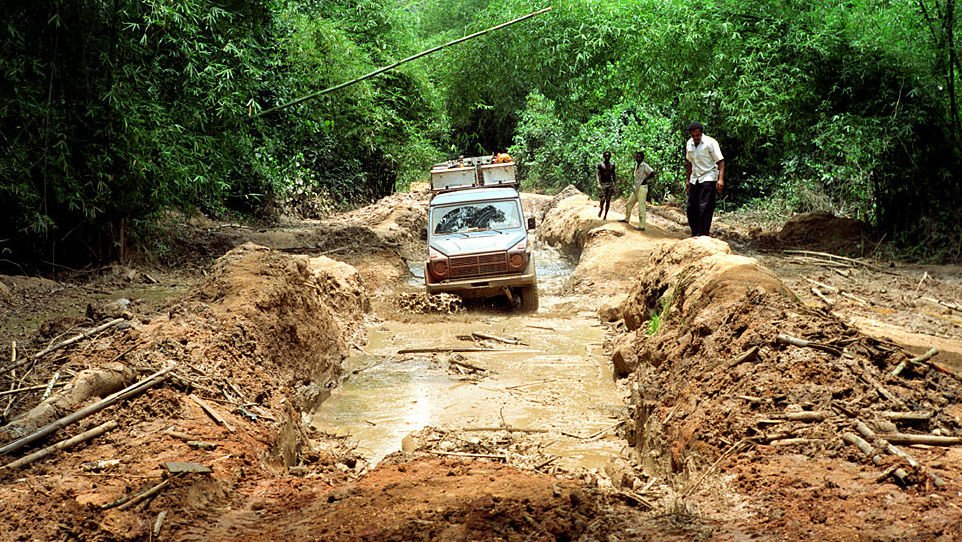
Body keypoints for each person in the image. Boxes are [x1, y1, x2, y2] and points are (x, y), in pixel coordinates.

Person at [684, 122, 725, 236]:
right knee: (692, 207)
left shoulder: (711, 143)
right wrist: (688, 179)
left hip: (708, 176)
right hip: (695, 177)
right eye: (694, 136)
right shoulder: (689, 144)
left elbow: (720, 161)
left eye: (698, 135)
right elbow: (689, 162)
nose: (696, 138)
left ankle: (703, 234)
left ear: (701, 133)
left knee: (705, 207)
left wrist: (720, 179)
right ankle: (694, 233)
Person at [622, 151, 656, 230]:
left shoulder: (644, 165)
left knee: (641, 207)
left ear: (642, 158)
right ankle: (626, 219)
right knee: (629, 204)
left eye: (639, 157)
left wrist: (645, 179)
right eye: (637, 157)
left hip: (642, 188)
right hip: (636, 188)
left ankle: (642, 226)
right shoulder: (636, 165)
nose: (638, 158)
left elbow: (652, 173)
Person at [596, 151, 616, 219]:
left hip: (610, 184)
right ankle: (601, 209)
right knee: (602, 199)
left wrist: (614, 184)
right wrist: (598, 183)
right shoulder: (600, 165)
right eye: (606, 156)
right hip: (603, 184)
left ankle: (605, 215)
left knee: (608, 200)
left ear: (610, 157)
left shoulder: (612, 165)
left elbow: (614, 175)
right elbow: (598, 175)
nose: (607, 157)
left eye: (608, 156)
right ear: (604, 156)